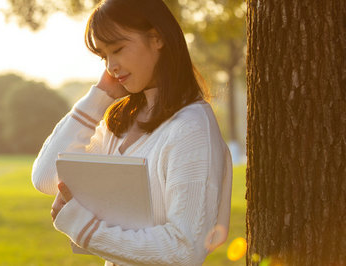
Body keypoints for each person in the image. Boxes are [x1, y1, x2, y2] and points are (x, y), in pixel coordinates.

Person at [31, 0, 233, 265]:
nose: (111, 66)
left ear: (157, 38)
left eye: (118, 49)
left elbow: (185, 249)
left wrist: (86, 230)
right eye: (104, 56)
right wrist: (99, 96)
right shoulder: (120, 124)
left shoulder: (191, 127)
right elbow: (46, 178)